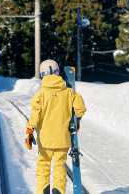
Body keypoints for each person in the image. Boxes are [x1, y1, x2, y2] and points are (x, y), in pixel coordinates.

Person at [25, 59, 86, 194]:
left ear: (42, 75)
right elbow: (80, 108)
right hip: (63, 140)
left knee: (43, 167)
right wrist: (77, 119)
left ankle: (43, 191)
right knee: (60, 167)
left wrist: (29, 131)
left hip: (45, 141)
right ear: (58, 73)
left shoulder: (40, 95)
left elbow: (35, 115)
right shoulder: (69, 92)